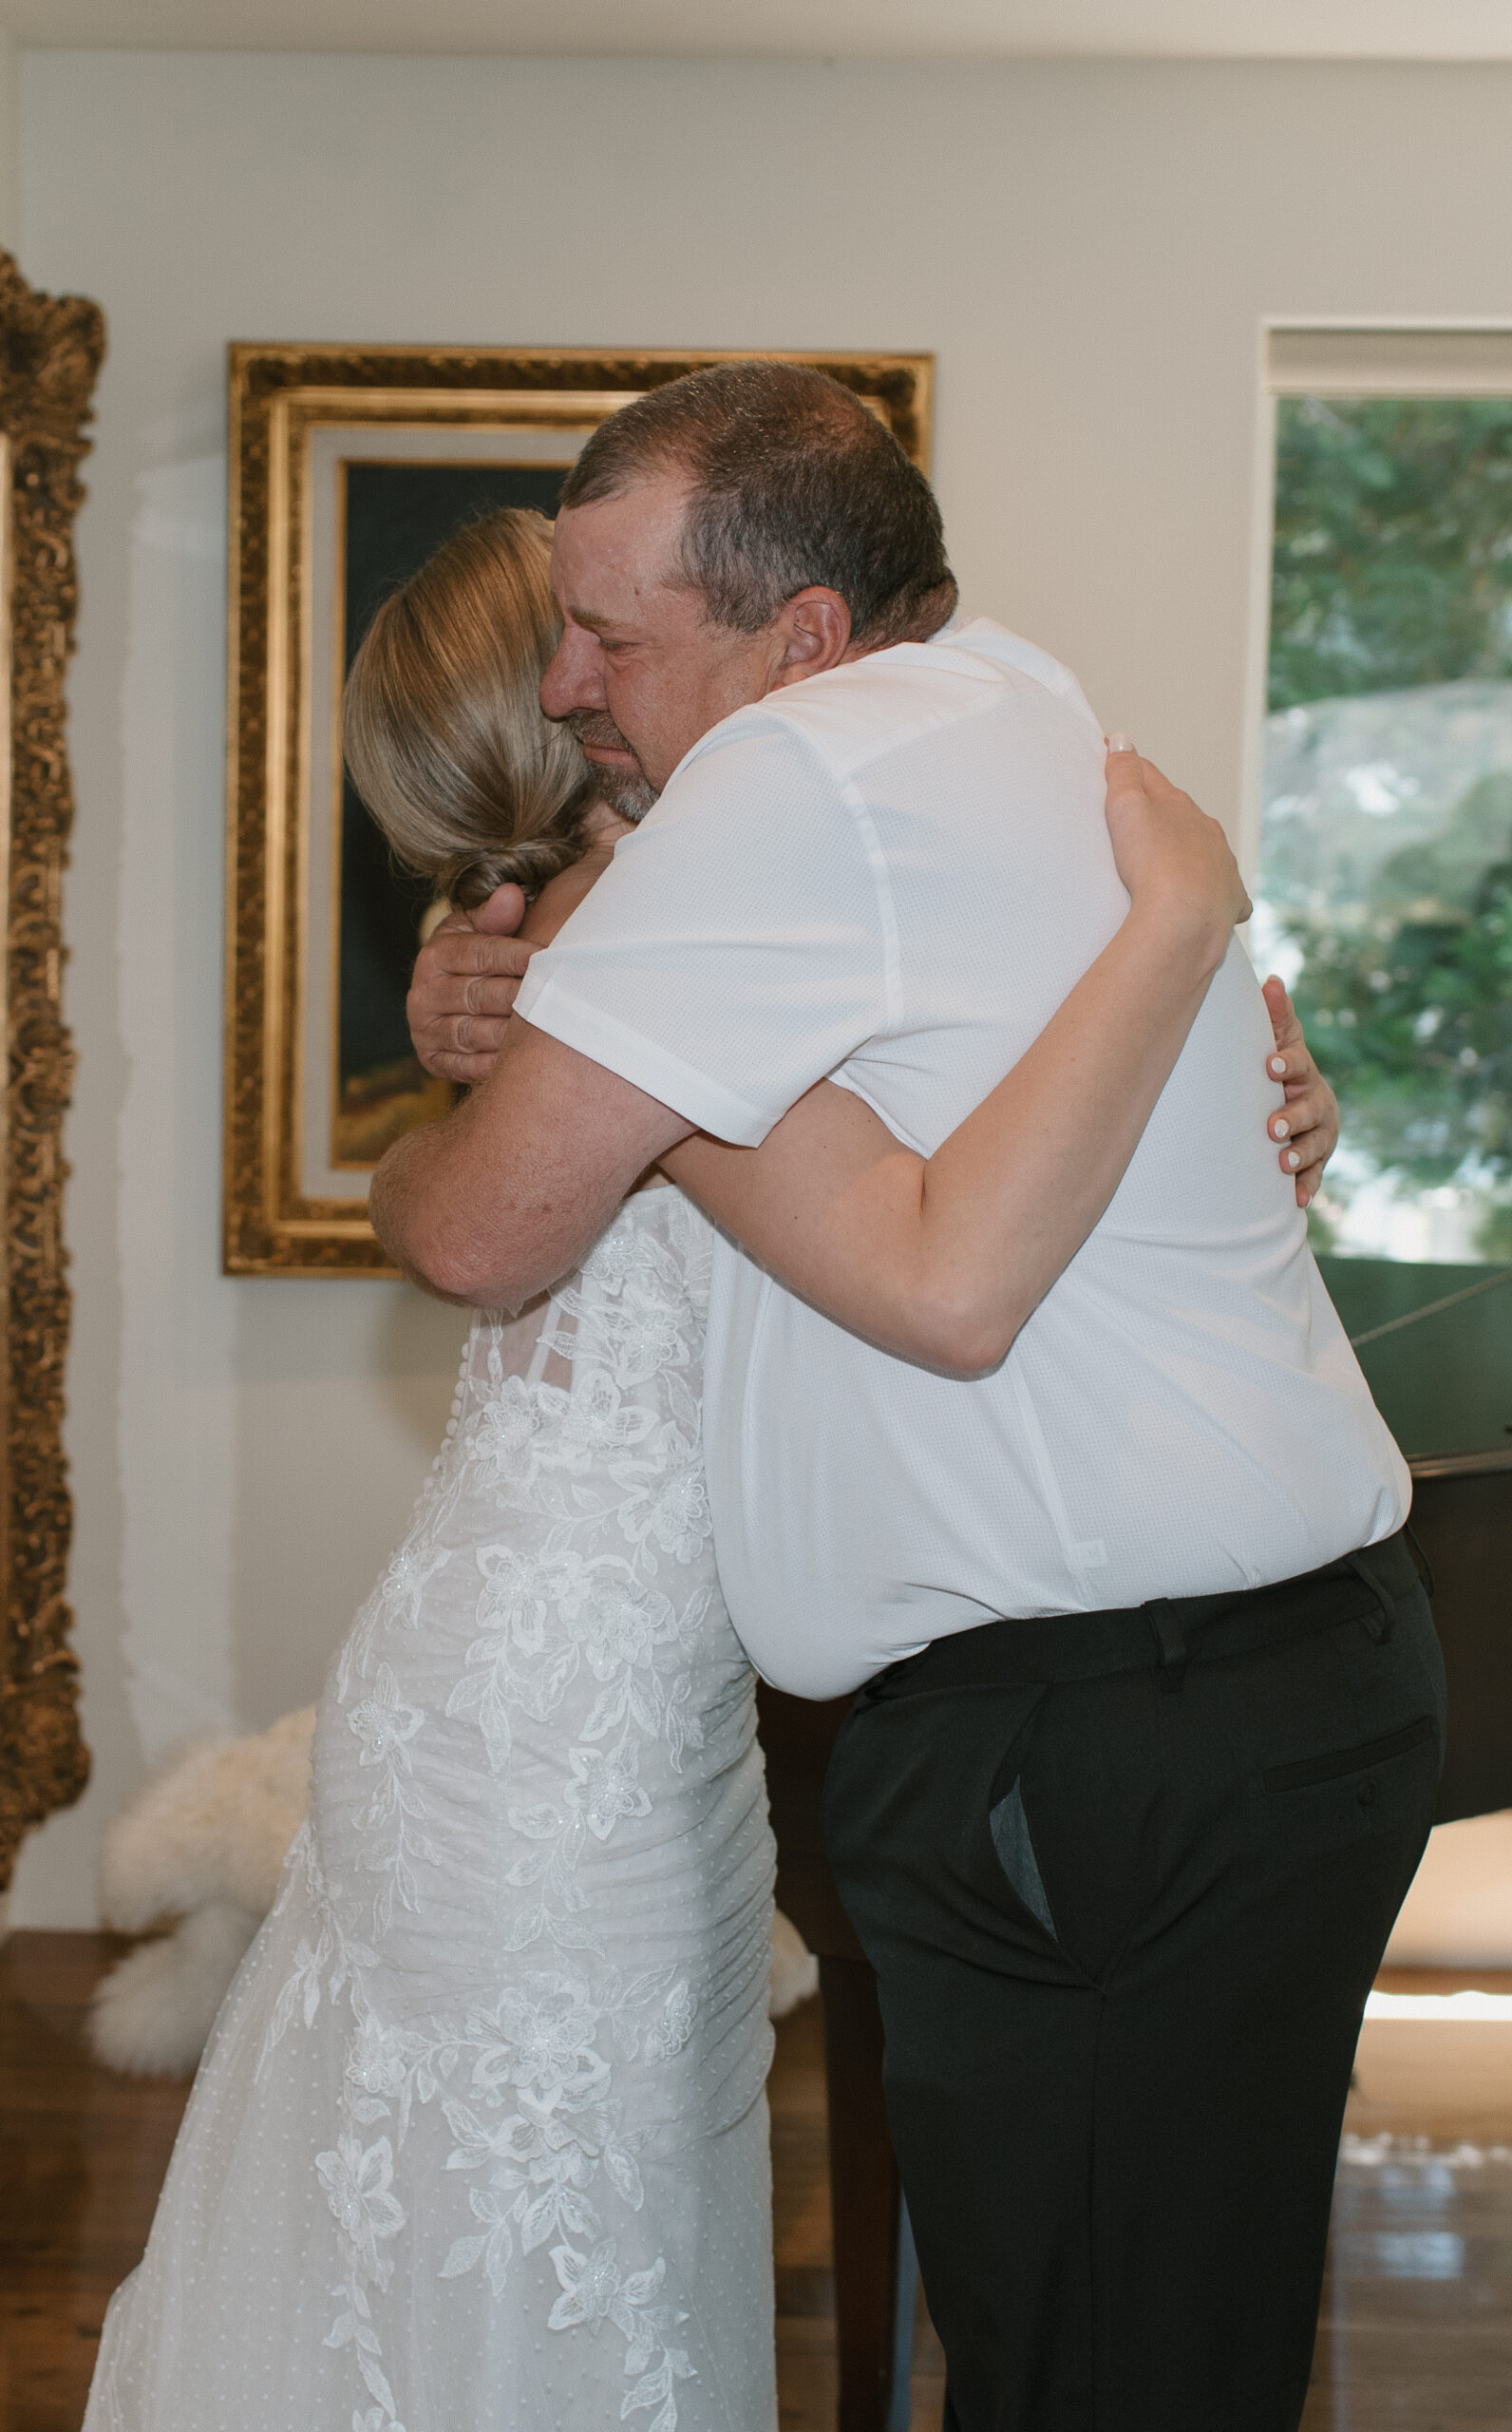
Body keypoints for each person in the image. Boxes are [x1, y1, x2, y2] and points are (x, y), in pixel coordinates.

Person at [84, 506, 1328, 2432]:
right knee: (511, 2249)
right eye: (597, 648)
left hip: (612, 1717)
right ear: (568, 710)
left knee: (545, 2236)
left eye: (625, 640)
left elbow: (961, 1107)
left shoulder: (646, 941)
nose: (634, 677)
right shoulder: (660, 960)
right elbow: (903, 1250)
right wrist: (1178, 948)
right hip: (542, 1742)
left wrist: (1238, 1104)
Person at [383, 364, 1444, 2432]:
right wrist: (1197, 959)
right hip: (1281, 1692)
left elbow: (493, 1236)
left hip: (1096, 1733)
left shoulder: (788, 790)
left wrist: (1182, 929)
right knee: (1161, 2351)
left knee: (1087, 2368)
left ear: (800, 639)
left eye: (610, 630)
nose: (566, 675)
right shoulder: (1033, 709)